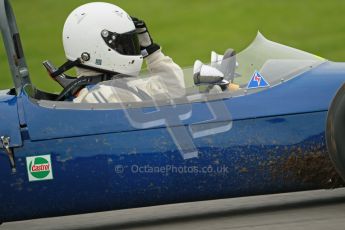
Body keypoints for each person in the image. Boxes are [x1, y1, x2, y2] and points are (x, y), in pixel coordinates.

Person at [60, 2, 185, 103]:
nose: (132, 49)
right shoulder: (99, 97)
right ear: (96, 48)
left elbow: (173, 90)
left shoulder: (119, 86)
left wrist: (152, 52)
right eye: (122, 43)